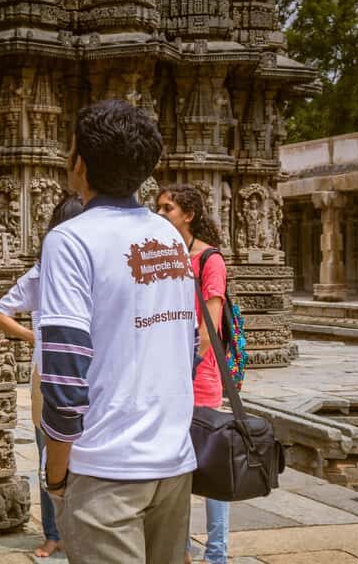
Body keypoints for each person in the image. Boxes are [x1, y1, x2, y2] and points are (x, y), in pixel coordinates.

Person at [39, 100, 198, 563]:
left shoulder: (70, 240)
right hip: (171, 461)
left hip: (106, 467)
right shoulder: (168, 236)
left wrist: (56, 473)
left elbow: (65, 370)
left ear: (79, 165)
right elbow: (186, 345)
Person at [0, 193, 85, 558]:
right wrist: (34, 335)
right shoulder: (42, 272)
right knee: (49, 456)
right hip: (48, 373)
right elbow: (0, 313)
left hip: (79, 372)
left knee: (73, 457)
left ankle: (71, 530)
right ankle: (53, 532)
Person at [157, 184, 230, 564]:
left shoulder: (209, 260)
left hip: (198, 378)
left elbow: (209, 331)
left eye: (168, 208)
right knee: (177, 467)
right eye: (159, 207)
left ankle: (216, 553)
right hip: (172, 375)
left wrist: (181, 371)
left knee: (211, 466)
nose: (161, 214)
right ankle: (181, 548)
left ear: (189, 214)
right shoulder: (170, 257)